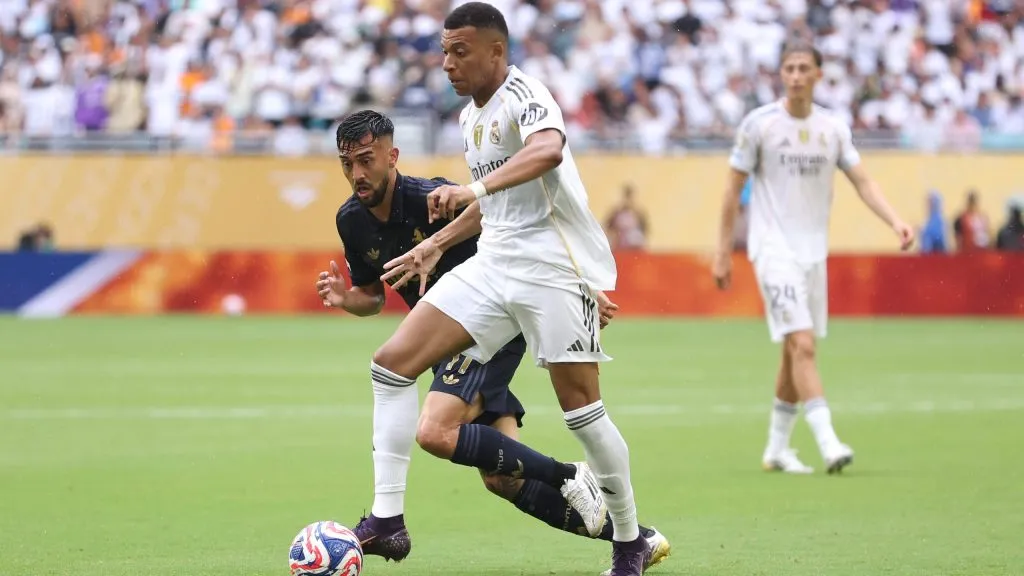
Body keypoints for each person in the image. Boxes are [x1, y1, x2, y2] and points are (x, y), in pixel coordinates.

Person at [367, 4, 656, 574]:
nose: (447, 64)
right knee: (391, 365)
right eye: (444, 52)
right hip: (495, 263)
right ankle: (387, 521)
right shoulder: (468, 118)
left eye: (460, 52)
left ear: (496, 51)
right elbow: (493, 201)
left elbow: (547, 151)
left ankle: (630, 543)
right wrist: (435, 243)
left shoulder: (527, 95)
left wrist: (471, 190)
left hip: (552, 268)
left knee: (583, 412)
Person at [319, 110, 670, 572]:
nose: (357, 174)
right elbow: (372, 295)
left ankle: (563, 476)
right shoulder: (351, 219)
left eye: (366, 160)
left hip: (491, 329)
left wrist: (576, 286)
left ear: (392, 156)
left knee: (434, 432)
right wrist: (347, 298)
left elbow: (515, 227)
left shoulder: (434, 198)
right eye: (347, 164)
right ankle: (636, 538)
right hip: (444, 344)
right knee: (502, 478)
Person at [712, 42, 915, 475]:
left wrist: (895, 220)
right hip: (772, 249)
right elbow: (732, 189)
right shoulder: (760, 124)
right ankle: (828, 442)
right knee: (803, 343)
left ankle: (776, 449)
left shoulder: (833, 128)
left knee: (794, 349)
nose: (796, 75)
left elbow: (863, 181)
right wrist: (723, 251)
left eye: (804, 68)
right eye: (789, 68)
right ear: (780, 74)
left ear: (819, 75)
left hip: (813, 253)